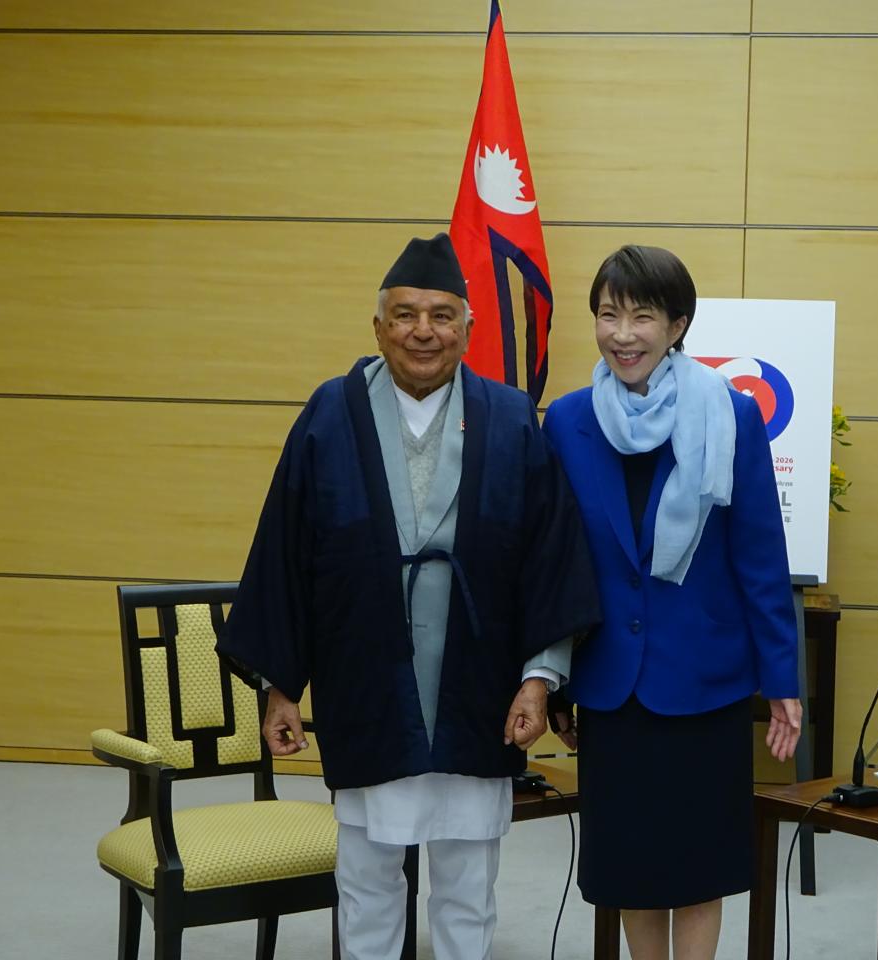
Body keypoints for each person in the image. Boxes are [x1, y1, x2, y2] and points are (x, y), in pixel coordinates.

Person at [217, 233, 600, 960]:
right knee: (366, 879)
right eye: (405, 315)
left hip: (479, 690)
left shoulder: (511, 418)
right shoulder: (329, 415)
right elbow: (285, 557)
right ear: (378, 327)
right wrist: (280, 689)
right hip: (367, 686)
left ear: (468, 328)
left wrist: (539, 678)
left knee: (468, 882)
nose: (423, 331)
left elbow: (550, 558)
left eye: (441, 315)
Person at [542, 244, 803, 960]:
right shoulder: (568, 421)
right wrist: (554, 679)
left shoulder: (731, 415)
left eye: (642, 317)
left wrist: (781, 678)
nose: (622, 334)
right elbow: (556, 563)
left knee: (697, 868)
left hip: (704, 679)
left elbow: (760, 558)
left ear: (678, 325)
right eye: (608, 315)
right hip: (609, 679)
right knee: (630, 868)